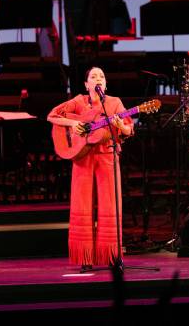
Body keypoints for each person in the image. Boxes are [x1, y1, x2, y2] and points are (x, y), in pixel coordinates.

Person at [47, 67, 133, 268]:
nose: (98, 79)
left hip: (107, 155)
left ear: (106, 83)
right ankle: (85, 258)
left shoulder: (115, 102)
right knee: (82, 205)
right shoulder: (78, 101)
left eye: (102, 76)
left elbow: (128, 129)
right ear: (86, 85)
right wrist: (72, 124)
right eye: (93, 77)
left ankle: (111, 256)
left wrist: (121, 126)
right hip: (82, 157)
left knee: (110, 205)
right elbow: (52, 116)